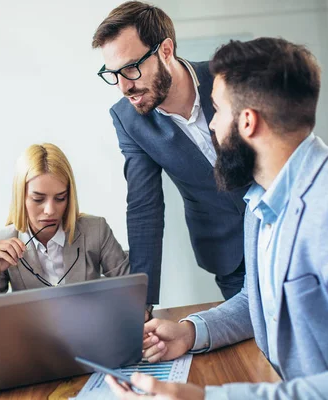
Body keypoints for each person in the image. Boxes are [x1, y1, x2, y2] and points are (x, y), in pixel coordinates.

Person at [107, 38, 328, 399]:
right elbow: (258, 301)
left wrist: (204, 398)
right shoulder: (261, 201)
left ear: (247, 122)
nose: (211, 127)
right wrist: (189, 331)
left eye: (217, 111)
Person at [92, 1, 247, 309]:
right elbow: (144, 209)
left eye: (131, 68)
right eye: (113, 74)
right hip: (229, 253)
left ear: (165, 50)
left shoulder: (227, 77)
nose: (124, 86)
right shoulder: (129, 120)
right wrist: (142, 304)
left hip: (284, 232)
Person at [0, 143, 129, 297]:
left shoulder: (96, 230)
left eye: (60, 198)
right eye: (38, 199)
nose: (50, 211)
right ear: (21, 197)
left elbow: (132, 291)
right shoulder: (3, 241)